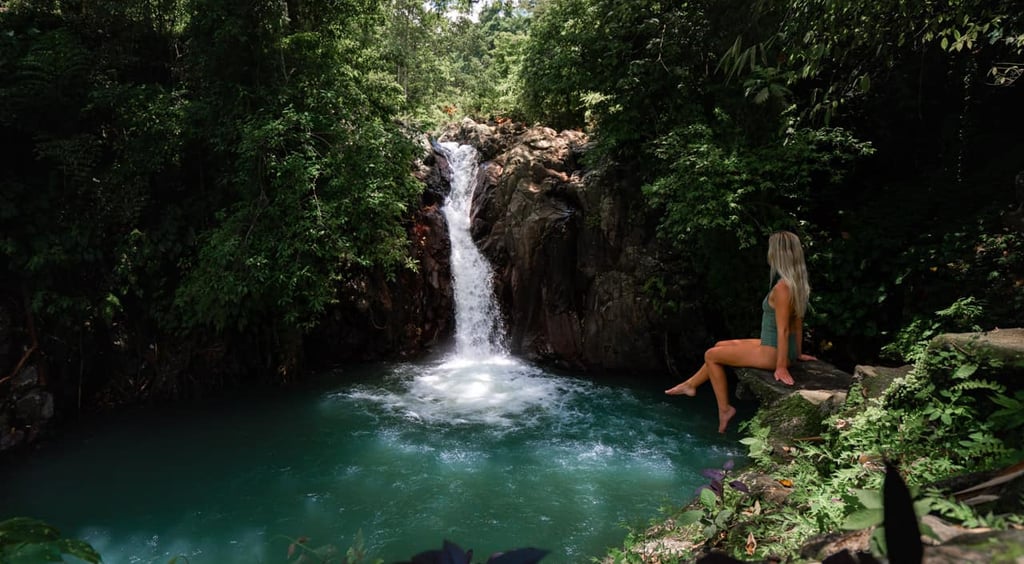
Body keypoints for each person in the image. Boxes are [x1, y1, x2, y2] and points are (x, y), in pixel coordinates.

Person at [665, 231, 816, 433]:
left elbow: (785, 328)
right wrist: (795, 354)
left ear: (778, 255)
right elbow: (798, 323)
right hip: (777, 347)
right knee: (720, 346)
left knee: (711, 355)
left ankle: (725, 409)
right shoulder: (798, 284)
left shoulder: (783, 288)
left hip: (773, 352)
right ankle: (690, 384)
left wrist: (781, 366)